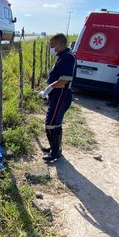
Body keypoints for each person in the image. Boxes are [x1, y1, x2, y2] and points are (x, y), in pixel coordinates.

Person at [38, 33, 76, 163]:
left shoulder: (67, 57)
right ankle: (55, 148)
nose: (51, 48)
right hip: (57, 95)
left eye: (52, 45)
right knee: (55, 123)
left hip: (61, 94)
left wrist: (48, 89)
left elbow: (64, 80)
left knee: (51, 123)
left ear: (60, 44)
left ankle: (55, 153)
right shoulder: (63, 56)